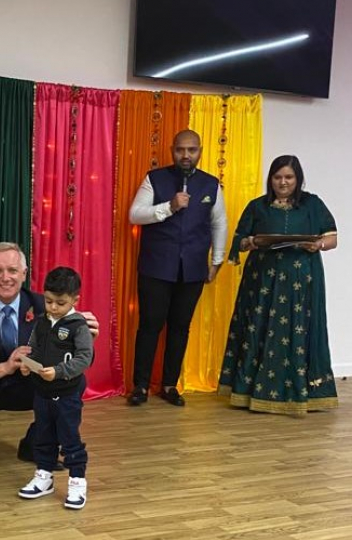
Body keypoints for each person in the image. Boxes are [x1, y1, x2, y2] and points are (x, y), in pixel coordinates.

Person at [0, 242, 98, 465]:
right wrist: (4, 367)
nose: (5, 277)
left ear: (23, 274)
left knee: (75, 383)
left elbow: (76, 359)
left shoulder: (46, 305)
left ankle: (34, 445)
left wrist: (86, 340)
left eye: (12, 270)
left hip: (31, 384)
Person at [218, 155, 338, 416]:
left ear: (298, 179)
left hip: (301, 280)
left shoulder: (312, 204)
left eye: (289, 177)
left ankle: (303, 394)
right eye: (278, 177)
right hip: (262, 280)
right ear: (270, 179)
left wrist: (317, 245)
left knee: (299, 328)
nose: (283, 182)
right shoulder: (257, 206)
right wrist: (252, 242)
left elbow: (332, 238)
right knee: (259, 327)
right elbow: (239, 241)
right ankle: (250, 392)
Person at [127, 129, 228, 407]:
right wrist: (169, 207)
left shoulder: (211, 185)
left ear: (200, 151)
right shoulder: (155, 179)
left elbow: (219, 223)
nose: (186, 155)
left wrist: (217, 261)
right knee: (149, 326)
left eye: (192, 150)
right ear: (173, 150)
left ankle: (170, 385)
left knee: (180, 328)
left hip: (193, 268)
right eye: (181, 149)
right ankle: (141, 386)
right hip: (156, 267)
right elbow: (134, 215)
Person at [17, 266, 93, 510]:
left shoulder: (78, 326)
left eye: (60, 303)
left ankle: (77, 481)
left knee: (69, 438)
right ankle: (44, 476)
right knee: (43, 434)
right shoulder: (41, 322)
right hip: (42, 392)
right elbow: (33, 348)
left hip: (67, 393)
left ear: (74, 300)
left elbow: (84, 358)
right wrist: (27, 365)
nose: (52, 307)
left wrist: (59, 372)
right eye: (48, 301)